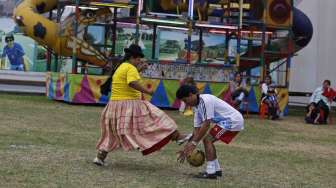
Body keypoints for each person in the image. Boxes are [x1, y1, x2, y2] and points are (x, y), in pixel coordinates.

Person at [93, 44, 188, 166]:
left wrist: (139, 69)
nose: (139, 61)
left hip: (114, 106)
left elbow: (128, 78)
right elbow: (132, 82)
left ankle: (99, 158)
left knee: (112, 133)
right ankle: (178, 136)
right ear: (132, 57)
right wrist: (148, 91)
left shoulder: (121, 66)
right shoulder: (130, 68)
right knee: (157, 119)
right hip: (129, 105)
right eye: (138, 59)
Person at [176, 84, 244, 179]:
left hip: (233, 120)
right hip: (228, 120)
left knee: (207, 139)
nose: (186, 104)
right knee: (208, 140)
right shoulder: (197, 108)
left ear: (191, 95)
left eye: (185, 100)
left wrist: (194, 143)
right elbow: (196, 131)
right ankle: (216, 170)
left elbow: (206, 124)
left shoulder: (205, 101)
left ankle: (211, 172)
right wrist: (186, 149)